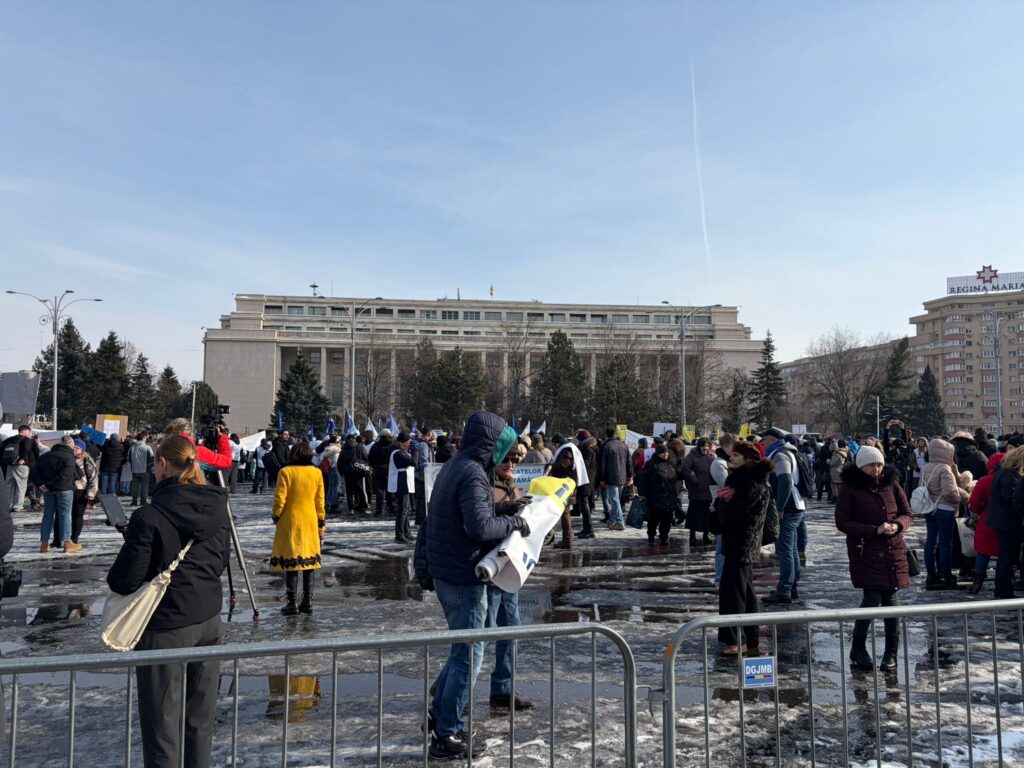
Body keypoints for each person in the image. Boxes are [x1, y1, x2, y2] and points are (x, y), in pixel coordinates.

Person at [106, 435, 230, 768]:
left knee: (163, 725)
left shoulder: (150, 515)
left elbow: (124, 580)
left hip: (167, 626)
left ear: (162, 465)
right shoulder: (219, 507)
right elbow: (220, 562)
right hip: (208, 619)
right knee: (199, 722)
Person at [423, 411, 529, 760]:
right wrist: (513, 520)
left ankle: (440, 717)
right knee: (468, 656)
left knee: (461, 652)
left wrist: (510, 506)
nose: (508, 455)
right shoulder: (472, 474)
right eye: (504, 447)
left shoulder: (459, 466)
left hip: (450, 572)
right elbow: (479, 528)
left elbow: (472, 515)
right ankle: (447, 734)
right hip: (463, 576)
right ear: (492, 444)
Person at [835, 444, 913, 672]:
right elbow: (842, 522)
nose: (877, 469)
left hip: (893, 549)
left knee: (891, 602)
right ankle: (858, 648)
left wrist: (897, 525)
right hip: (865, 550)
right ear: (861, 466)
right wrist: (874, 530)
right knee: (870, 600)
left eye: (879, 464)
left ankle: (891, 653)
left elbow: (907, 513)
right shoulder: (850, 488)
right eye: (871, 465)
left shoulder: (892, 483)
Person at [712, 440, 772, 656]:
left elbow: (739, 515)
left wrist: (723, 503)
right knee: (743, 591)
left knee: (734, 593)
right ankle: (748, 637)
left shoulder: (750, 482)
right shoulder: (741, 479)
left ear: (748, 459)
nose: (732, 458)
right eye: (732, 454)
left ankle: (737, 639)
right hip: (738, 542)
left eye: (736, 455)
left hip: (742, 542)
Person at [488, 443, 534, 710]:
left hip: (509, 569)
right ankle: (445, 684)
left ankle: (503, 689)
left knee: (511, 631)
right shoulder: (485, 484)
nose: (511, 464)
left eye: (515, 460)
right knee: (479, 636)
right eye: (507, 459)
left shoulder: (510, 483)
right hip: (489, 568)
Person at [270, 441, 325, 615]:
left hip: (290, 520)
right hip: (310, 519)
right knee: (309, 562)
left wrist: (276, 515)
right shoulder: (316, 473)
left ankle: (291, 602)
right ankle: (307, 601)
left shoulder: (286, 472)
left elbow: (280, 498)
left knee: (292, 561)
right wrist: (321, 522)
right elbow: (320, 500)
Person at [761, 428, 807, 605]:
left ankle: (785, 590)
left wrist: (779, 507)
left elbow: (785, 480)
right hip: (796, 504)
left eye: (764, 441)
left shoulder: (779, 454)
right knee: (792, 550)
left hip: (788, 507)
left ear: (772, 440)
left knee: (785, 550)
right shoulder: (789, 451)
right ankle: (791, 587)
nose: (762, 444)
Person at [921, 438, 970, 590]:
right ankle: (946, 574)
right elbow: (950, 492)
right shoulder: (944, 468)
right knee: (945, 543)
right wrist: (958, 499)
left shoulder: (925, 466)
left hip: (929, 508)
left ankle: (931, 574)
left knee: (930, 542)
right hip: (945, 509)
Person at [986, 446, 1024, 599]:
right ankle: (1004, 589)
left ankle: (1003, 587)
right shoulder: (1010, 476)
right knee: (1007, 557)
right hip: (1008, 522)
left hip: (1002, 520)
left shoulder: (1003, 473)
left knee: (1005, 556)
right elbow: (1012, 498)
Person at [33, 435, 80, 553]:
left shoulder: (45, 456)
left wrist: (42, 485)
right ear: (71, 446)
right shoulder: (69, 458)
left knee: (48, 515)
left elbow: (34, 472)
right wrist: (48, 485)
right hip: (64, 489)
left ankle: (44, 543)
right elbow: (64, 475)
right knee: (65, 515)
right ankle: (67, 543)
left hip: (48, 491)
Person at [967, 452, 1004, 594]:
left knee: (983, 552)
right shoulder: (1013, 478)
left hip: (987, 520)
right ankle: (1002, 582)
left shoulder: (984, 480)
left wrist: (979, 510)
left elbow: (974, 502)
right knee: (1004, 553)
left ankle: (978, 582)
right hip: (1007, 521)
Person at [51, 440, 97, 550]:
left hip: (80, 491)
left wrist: (91, 492)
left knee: (77, 516)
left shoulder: (87, 460)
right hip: (65, 489)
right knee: (60, 515)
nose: (74, 449)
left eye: (77, 447)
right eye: (73, 447)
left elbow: (93, 477)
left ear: (82, 450)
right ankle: (57, 539)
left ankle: (74, 539)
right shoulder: (65, 458)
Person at [709, 433, 737, 583]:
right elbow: (726, 485)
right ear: (727, 446)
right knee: (721, 547)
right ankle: (720, 579)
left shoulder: (727, 462)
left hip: (729, 508)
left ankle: (726, 578)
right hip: (721, 508)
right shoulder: (719, 463)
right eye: (734, 447)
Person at [638, 442, 678, 545]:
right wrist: (642, 493)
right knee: (654, 519)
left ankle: (664, 537)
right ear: (658, 453)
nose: (665, 454)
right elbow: (643, 479)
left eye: (666, 452)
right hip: (655, 496)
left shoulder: (670, 464)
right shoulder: (650, 464)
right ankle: (651, 536)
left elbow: (675, 478)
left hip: (669, 497)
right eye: (663, 452)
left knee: (667, 519)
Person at [680, 438, 715, 547]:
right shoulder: (692, 456)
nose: (706, 448)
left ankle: (706, 536)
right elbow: (685, 468)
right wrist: (695, 480)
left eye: (707, 446)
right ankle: (692, 537)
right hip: (696, 492)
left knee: (707, 515)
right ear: (699, 446)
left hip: (708, 491)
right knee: (694, 514)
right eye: (703, 446)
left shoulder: (711, 458)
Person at [599, 428, 632, 531]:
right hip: (622, 476)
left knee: (614, 500)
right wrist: (630, 475)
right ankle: (613, 520)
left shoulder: (606, 446)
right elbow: (629, 462)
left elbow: (602, 464)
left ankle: (619, 521)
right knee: (615, 500)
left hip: (611, 476)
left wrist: (602, 477)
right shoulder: (623, 445)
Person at [388, 432, 416, 543]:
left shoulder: (402, 452)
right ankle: (399, 534)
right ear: (401, 442)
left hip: (405, 482)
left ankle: (406, 532)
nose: (409, 444)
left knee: (407, 509)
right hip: (401, 482)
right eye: (407, 442)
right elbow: (414, 462)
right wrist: (415, 450)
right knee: (402, 510)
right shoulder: (397, 453)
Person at [3, 425, 38, 512]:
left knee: (9, 486)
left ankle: (8, 506)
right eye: (29, 432)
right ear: (25, 431)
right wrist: (23, 459)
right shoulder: (27, 440)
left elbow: (1, 449)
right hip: (21, 466)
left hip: (10, 465)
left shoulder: (8, 440)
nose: (29, 434)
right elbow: (27, 449)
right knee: (21, 487)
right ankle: (18, 506)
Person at [575, 430, 598, 539]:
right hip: (587, 479)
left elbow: (585, 464)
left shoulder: (588, 449)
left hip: (586, 480)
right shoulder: (588, 448)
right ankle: (586, 529)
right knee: (583, 505)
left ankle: (589, 530)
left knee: (584, 505)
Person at [368, 429, 395, 518]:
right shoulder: (392, 445)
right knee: (390, 489)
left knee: (379, 491)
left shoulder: (376, 445)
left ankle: (379, 509)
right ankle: (391, 507)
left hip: (378, 469)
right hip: (390, 470)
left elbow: (370, 458)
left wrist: (373, 466)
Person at [341, 434, 369, 513]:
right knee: (361, 490)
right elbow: (366, 457)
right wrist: (365, 467)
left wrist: (342, 472)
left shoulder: (343, 449)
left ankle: (351, 508)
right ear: (354, 439)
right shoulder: (359, 447)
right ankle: (364, 506)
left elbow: (340, 462)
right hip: (358, 471)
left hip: (347, 473)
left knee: (349, 491)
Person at [414, 430, 436, 526]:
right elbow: (424, 459)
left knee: (422, 498)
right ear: (430, 433)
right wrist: (427, 470)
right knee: (423, 498)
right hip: (423, 476)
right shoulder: (424, 444)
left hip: (423, 475)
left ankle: (420, 518)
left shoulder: (424, 443)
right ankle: (421, 519)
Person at [318, 435, 342, 513]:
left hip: (330, 469)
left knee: (330, 487)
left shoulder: (328, 448)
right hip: (335, 468)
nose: (340, 443)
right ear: (334, 442)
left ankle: (328, 503)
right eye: (338, 441)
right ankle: (333, 505)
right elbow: (336, 461)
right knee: (336, 487)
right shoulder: (336, 449)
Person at [129, 434, 155, 506]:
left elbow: (129, 458)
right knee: (144, 486)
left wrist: (133, 465)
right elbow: (151, 458)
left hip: (134, 469)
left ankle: (134, 501)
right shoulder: (147, 447)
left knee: (134, 486)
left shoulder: (132, 447)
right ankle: (143, 501)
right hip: (145, 469)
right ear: (143, 438)